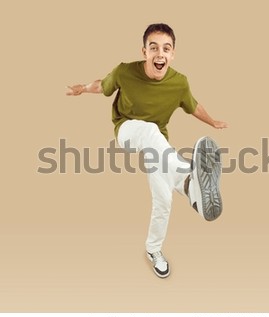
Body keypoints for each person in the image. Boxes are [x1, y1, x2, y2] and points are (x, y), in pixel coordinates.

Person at [67, 23, 228, 278]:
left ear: (173, 53)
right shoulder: (124, 72)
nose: (159, 54)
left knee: (163, 199)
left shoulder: (180, 83)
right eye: (153, 48)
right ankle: (189, 177)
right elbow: (102, 86)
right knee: (151, 131)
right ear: (144, 52)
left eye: (166, 48)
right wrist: (83, 89)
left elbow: (193, 106)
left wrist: (213, 121)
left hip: (157, 146)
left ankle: (155, 247)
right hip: (127, 131)